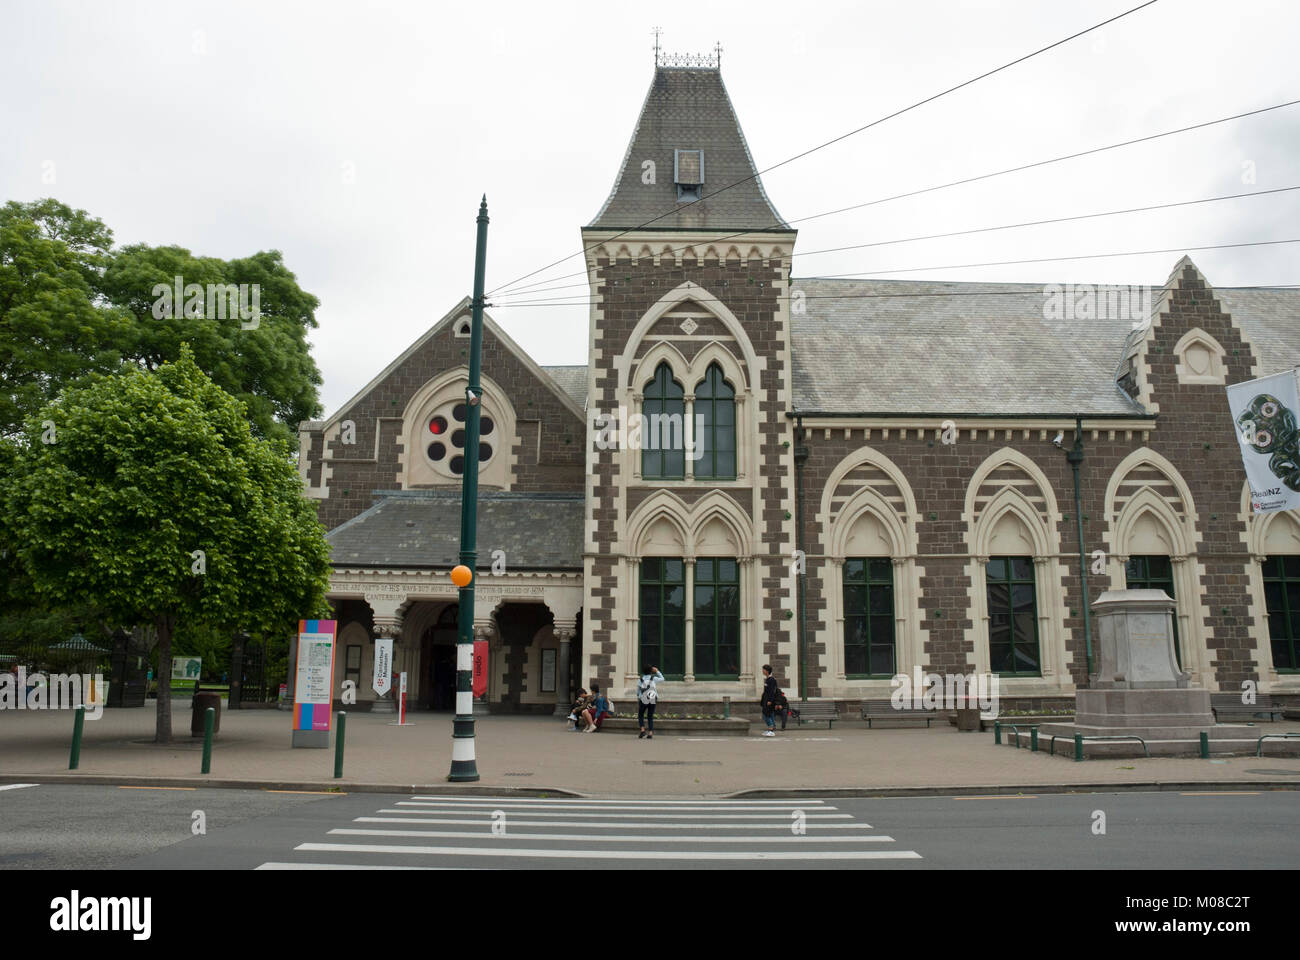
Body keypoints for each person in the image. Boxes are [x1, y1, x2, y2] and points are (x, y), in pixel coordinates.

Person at [637, 664, 664, 739]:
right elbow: (662, 679)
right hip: (652, 697)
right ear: (651, 671)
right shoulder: (654, 678)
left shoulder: (640, 679)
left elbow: (638, 691)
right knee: (650, 716)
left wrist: (639, 697)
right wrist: (657, 671)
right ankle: (650, 733)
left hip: (643, 698)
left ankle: (642, 730)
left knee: (641, 714)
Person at [760, 664, 779, 736]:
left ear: (767, 671)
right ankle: (771, 729)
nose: (762, 671)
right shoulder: (767, 679)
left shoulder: (772, 680)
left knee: (765, 714)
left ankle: (771, 728)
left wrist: (770, 700)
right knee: (770, 714)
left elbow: (772, 691)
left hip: (769, 700)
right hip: (766, 699)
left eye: (763, 669)